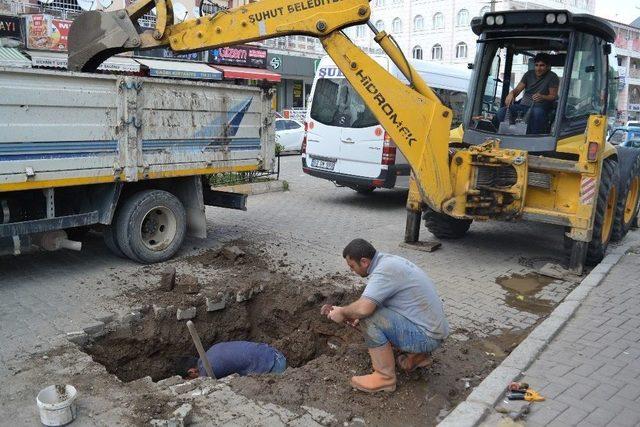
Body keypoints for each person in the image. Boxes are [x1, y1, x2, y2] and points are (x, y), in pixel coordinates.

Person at [321, 238, 449, 393]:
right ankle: (417, 357)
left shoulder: (384, 271)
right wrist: (352, 313)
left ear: (364, 261)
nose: (351, 270)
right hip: (434, 331)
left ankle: (384, 378)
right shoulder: (389, 262)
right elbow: (379, 303)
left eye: (352, 266)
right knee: (368, 312)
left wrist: (342, 312)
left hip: (425, 337)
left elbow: (365, 309)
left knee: (369, 317)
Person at [493, 52, 559, 134]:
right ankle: (507, 134)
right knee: (502, 111)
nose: (538, 68)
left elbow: (553, 96)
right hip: (522, 106)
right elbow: (517, 90)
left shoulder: (552, 77)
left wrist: (542, 97)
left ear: (548, 67)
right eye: (536, 65)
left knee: (537, 113)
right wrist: (511, 94)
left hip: (540, 107)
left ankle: (534, 138)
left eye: (542, 65)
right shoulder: (528, 74)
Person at [176, 341, 287, 379]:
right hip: (271, 353)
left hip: (274, 366)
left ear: (191, 372)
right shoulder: (209, 352)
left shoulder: (207, 370)